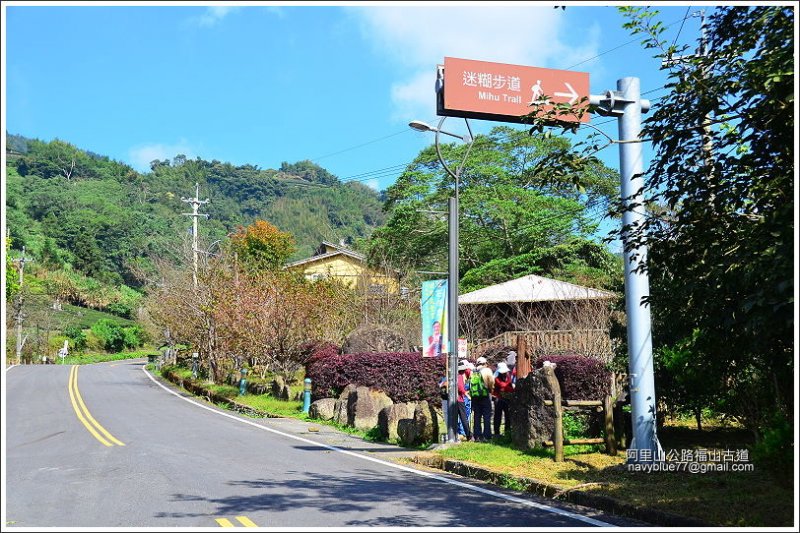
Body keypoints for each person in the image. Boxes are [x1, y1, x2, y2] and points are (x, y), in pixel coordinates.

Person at [470, 356, 495, 442]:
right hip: (485, 396)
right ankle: (487, 436)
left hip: (475, 397)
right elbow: (491, 382)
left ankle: (477, 436)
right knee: (486, 416)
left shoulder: (472, 371)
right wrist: (490, 391)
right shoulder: (487, 371)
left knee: (477, 416)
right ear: (485, 363)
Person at [493, 361, 514, 437]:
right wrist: (508, 388)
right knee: (498, 416)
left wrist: (508, 388)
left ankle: (507, 432)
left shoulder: (508, 377)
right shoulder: (496, 378)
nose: (504, 373)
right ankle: (496, 432)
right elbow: (502, 385)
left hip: (507, 399)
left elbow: (509, 387)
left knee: (508, 416)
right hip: (498, 399)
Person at [456, 361, 473, 441]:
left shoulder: (455, 375)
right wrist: (466, 394)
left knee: (457, 418)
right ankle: (468, 435)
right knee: (464, 418)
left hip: (456, 399)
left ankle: (457, 434)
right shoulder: (459, 376)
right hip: (460, 399)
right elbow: (460, 387)